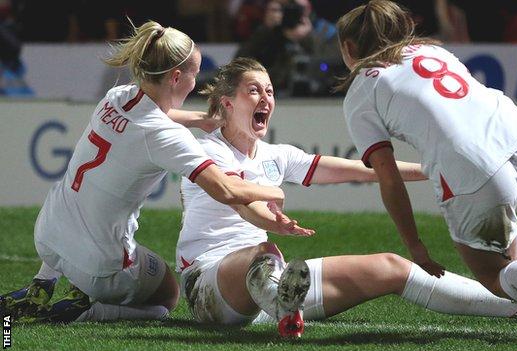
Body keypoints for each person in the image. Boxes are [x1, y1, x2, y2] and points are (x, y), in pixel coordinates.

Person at [174, 57, 517, 339]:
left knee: (391, 267)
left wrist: (434, 168)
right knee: (261, 254)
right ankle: (281, 301)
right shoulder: (207, 151)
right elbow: (240, 200)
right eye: (253, 90)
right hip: (211, 286)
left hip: (272, 278)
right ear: (226, 103)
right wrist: (269, 219)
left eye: (270, 91)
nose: (266, 98)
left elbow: (361, 170)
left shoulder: (278, 155)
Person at [334, 0, 517, 342]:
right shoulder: (432, 52)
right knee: (499, 225)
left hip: (475, 167)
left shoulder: (361, 91)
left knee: (491, 275)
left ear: (349, 48)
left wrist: (415, 246)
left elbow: (389, 177)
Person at [0, 20, 296, 329]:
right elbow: (226, 190)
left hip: (47, 235)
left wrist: (198, 119)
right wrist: (275, 191)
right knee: (167, 297)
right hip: (100, 268)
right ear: (177, 77)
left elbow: (154, 114)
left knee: (81, 201)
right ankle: (86, 310)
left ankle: (41, 284)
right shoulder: (165, 136)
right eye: (195, 75)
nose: (197, 82)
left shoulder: (117, 96)